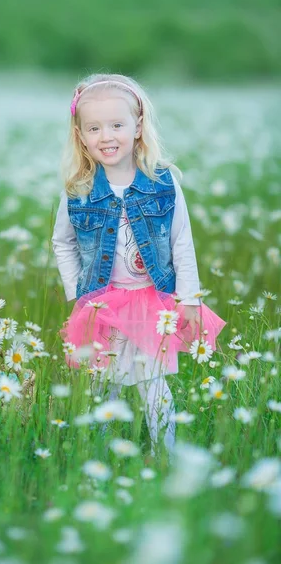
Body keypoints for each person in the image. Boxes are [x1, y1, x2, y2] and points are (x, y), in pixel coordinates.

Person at [51, 73, 227, 461]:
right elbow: (61, 243)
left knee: (154, 384)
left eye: (117, 125)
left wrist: (189, 299)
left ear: (138, 127)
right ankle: (94, 460)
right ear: (80, 135)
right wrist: (77, 295)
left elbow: (182, 242)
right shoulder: (78, 190)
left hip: (152, 303)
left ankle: (166, 457)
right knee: (102, 387)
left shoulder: (163, 183)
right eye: (94, 128)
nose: (106, 136)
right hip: (103, 305)